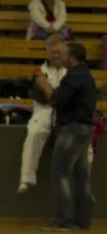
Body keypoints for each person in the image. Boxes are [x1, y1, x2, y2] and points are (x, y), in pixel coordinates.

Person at [35, 41, 96, 231]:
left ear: (72, 57)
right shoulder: (86, 75)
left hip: (72, 129)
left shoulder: (73, 77)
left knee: (60, 173)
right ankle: (82, 221)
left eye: (64, 55)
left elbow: (57, 100)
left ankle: (65, 221)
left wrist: (43, 83)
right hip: (85, 129)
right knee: (80, 175)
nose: (61, 57)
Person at [20, 36, 68, 193]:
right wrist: (54, 95)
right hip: (43, 111)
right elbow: (40, 97)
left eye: (58, 51)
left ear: (65, 50)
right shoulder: (40, 71)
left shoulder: (72, 70)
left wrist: (49, 89)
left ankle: (80, 184)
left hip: (68, 112)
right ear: (47, 52)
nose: (55, 55)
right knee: (34, 133)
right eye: (52, 52)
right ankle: (26, 179)